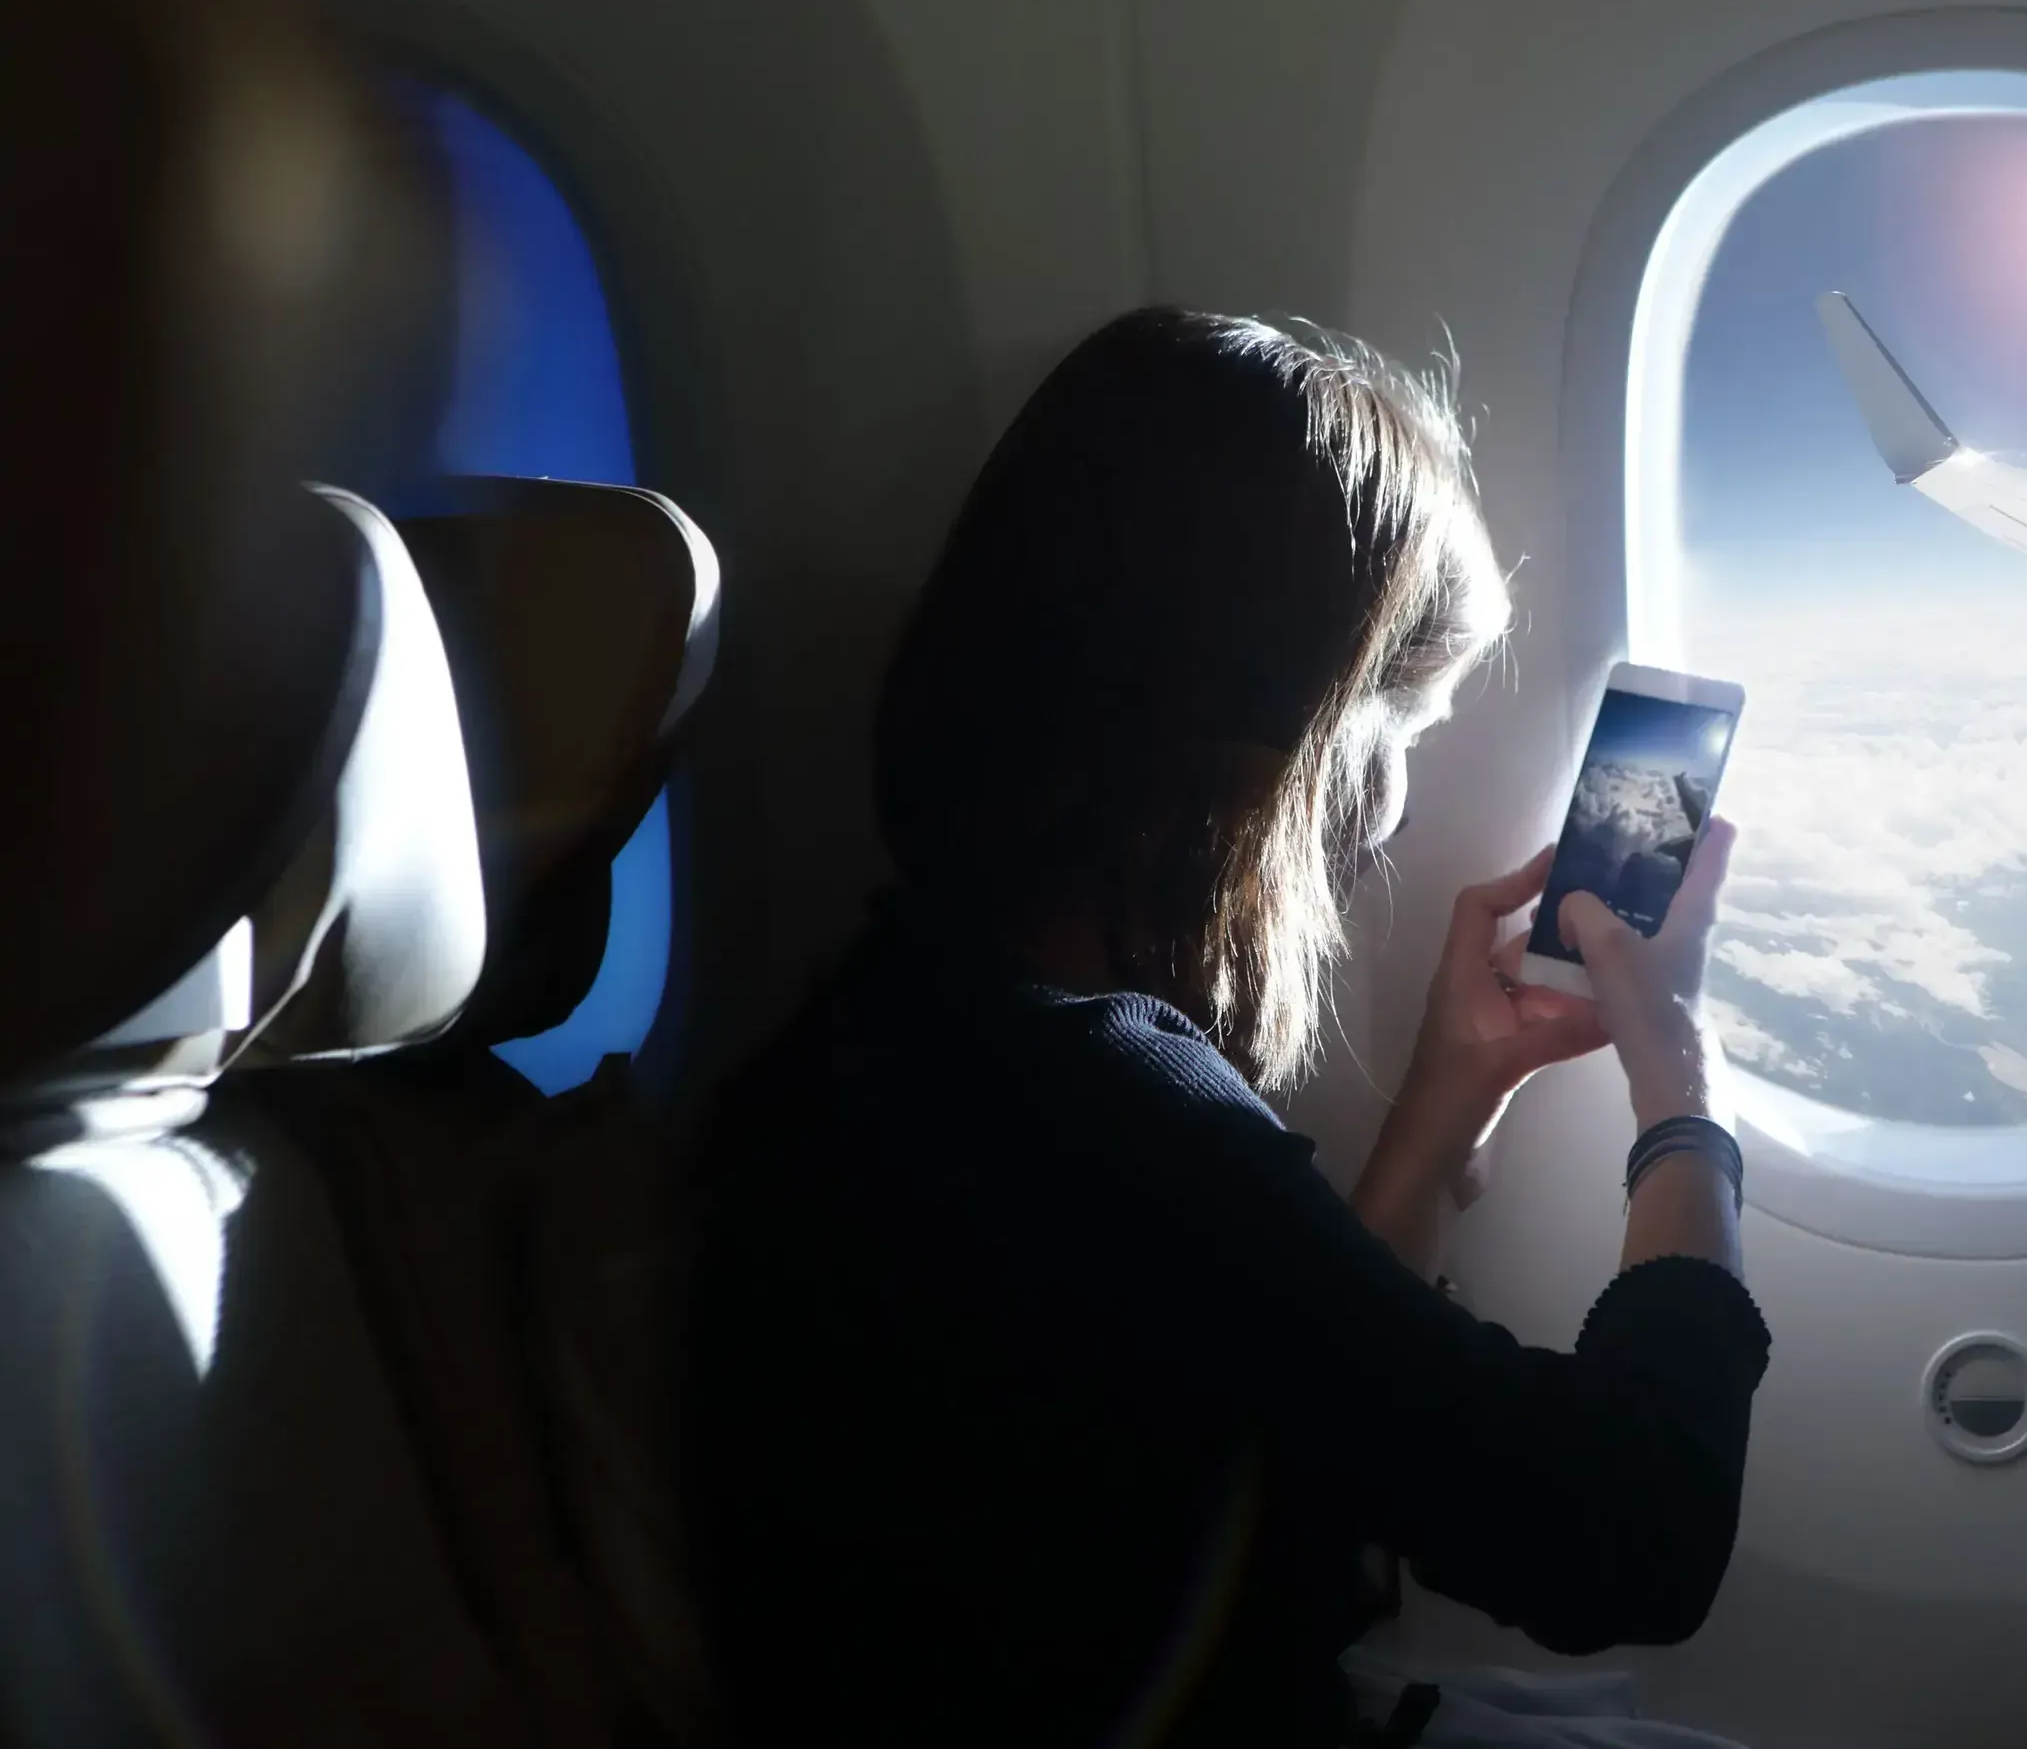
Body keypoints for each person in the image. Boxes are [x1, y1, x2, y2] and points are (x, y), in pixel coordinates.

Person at [684, 309, 1771, 1748]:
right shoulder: (1111, 1113)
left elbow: (1301, 1401)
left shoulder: (914, 1022)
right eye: (1396, 730)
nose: (1384, 816)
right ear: (1280, 741)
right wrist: (1681, 1091)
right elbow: (1632, 1531)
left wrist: (1447, 1099)